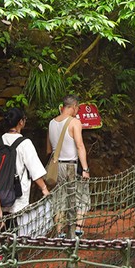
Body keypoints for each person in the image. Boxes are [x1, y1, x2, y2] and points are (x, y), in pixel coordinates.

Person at [0, 107, 51, 236]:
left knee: (0, 228)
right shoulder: (24, 143)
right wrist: (44, 189)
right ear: (21, 122)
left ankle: (3, 254)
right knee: (15, 229)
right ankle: (13, 254)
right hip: (16, 194)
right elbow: (35, 170)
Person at [47, 96, 91, 237]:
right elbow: (79, 145)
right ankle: (77, 230)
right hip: (71, 166)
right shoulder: (74, 122)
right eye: (77, 108)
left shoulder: (51, 123)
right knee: (82, 197)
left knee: (59, 199)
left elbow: (49, 150)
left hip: (56, 167)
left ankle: (60, 233)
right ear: (74, 106)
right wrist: (85, 168)